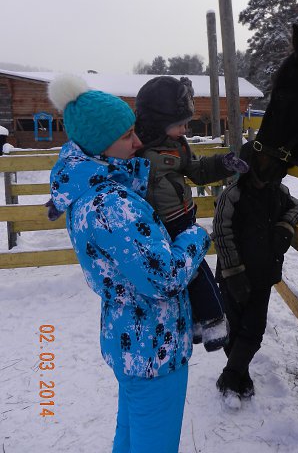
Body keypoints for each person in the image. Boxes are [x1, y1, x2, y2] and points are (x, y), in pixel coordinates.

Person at [47, 75, 211, 453]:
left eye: (134, 130)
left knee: (132, 434)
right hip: (153, 348)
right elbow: (166, 277)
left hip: (133, 341)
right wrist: (196, 236)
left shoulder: (93, 190)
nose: (138, 142)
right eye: (126, 136)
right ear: (100, 145)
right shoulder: (111, 205)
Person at [134, 75, 249, 352]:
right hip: (152, 223)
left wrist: (223, 164)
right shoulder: (133, 147)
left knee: (195, 268)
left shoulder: (179, 146)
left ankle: (214, 317)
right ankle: (199, 320)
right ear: (158, 123)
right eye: (180, 124)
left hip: (181, 217)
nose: (186, 129)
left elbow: (197, 171)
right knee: (177, 273)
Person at [212, 141, 298, 409]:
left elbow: (296, 207)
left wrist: (285, 226)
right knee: (233, 327)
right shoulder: (233, 195)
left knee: (254, 329)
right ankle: (240, 374)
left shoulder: (279, 192)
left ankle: (230, 376)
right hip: (233, 275)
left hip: (263, 274)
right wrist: (233, 272)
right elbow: (221, 232)